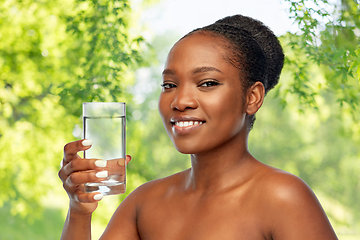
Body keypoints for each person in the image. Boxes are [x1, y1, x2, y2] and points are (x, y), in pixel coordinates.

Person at [59, 15, 338, 239]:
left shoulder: (283, 198)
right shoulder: (144, 203)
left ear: (252, 97)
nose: (180, 101)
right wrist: (79, 210)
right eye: (169, 85)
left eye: (207, 83)